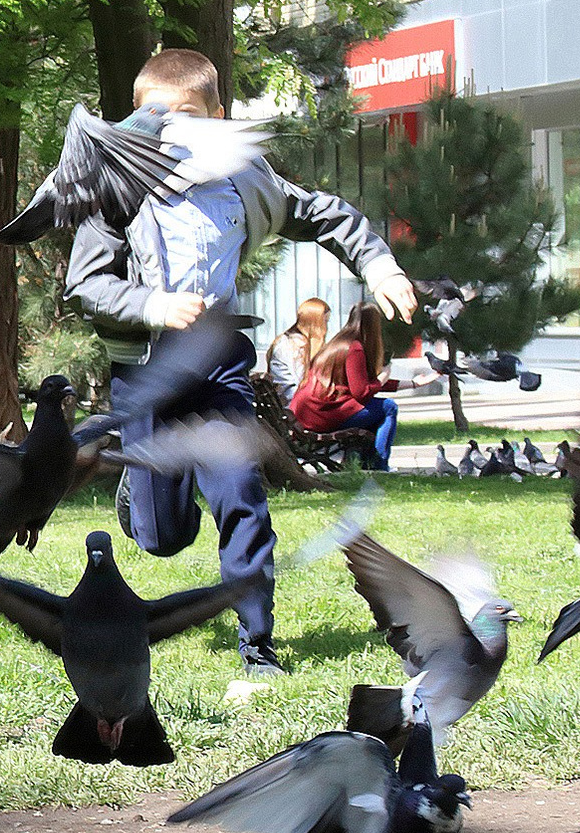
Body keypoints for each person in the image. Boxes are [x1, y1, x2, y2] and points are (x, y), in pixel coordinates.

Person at [63, 49, 413, 677]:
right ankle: (139, 494)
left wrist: (380, 265)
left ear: (219, 117)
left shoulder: (246, 180)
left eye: (191, 116)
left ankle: (259, 647)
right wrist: (151, 302)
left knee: (241, 494)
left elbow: (326, 215)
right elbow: (84, 285)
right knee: (160, 537)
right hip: (148, 376)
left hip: (220, 366)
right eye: (157, 118)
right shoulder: (114, 187)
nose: (174, 131)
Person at [291, 302, 404, 471]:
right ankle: (380, 466)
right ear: (373, 325)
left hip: (310, 413)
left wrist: (414, 383)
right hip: (322, 415)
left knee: (377, 409)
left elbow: (360, 383)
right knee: (388, 407)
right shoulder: (355, 348)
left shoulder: (339, 342)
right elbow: (362, 392)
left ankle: (366, 464)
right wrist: (382, 377)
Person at [264, 297, 329, 395]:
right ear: (316, 324)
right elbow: (303, 383)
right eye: (325, 322)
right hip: (293, 404)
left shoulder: (290, 341)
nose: (326, 327)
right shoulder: (294, 346)